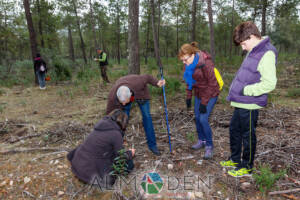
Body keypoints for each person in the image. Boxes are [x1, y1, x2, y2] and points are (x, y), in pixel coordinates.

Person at [220, 21, 277, 177]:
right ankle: (235, 160)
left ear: (252, 37)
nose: (243, 48)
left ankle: (247, 167)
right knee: (234, 130)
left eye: (244, 44)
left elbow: (270, 83)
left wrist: (247, 90)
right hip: (240, 101)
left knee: (248, 136)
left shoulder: (267, 53)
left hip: (250, 103)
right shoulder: (255, 49)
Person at [67, 109, 135, 187]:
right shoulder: (115, 134)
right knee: (129, 164)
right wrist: (130, 153)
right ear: (123, 123)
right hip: (91, 174)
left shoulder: (100, 126)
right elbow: (121, 157)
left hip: (78, 165)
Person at [178, 42, 220, 159]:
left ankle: (209, 145)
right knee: (197, 117)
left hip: (211, 93)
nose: (184, 62)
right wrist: (188, 96)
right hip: (198, 93)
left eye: (185, 59)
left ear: (192, 54)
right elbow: (189, 80)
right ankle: (201, 140)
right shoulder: (188, 64)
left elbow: (212, 84)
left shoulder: (205, 63)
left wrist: (204, 102)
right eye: (182, 60)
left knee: (203, 119)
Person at [106, 74, 165, 156]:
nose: (123, 104)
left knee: (147, 117)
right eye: (121, 102)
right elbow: (109, 115)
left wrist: (157, 82)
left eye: (125, 102)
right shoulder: (112, 97)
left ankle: (152, 145)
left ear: (130, 95)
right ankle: (117, 145)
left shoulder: (138, 82)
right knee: (122, 121)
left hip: (141, 94)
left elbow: (147, 77)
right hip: (127, 92)